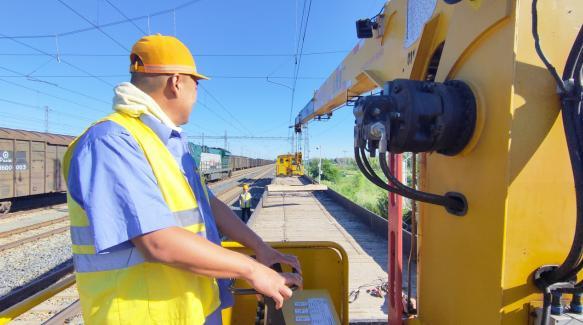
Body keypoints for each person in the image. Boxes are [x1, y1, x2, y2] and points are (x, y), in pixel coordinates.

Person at [63, 34, 302, 325]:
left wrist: (260, 247)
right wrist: (251, 270)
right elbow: (157, 241)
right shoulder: (112, 141)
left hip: (193, 310)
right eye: (196, 83)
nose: (197, 93)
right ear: (176, 82)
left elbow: (209, 205)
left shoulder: (170, 145)